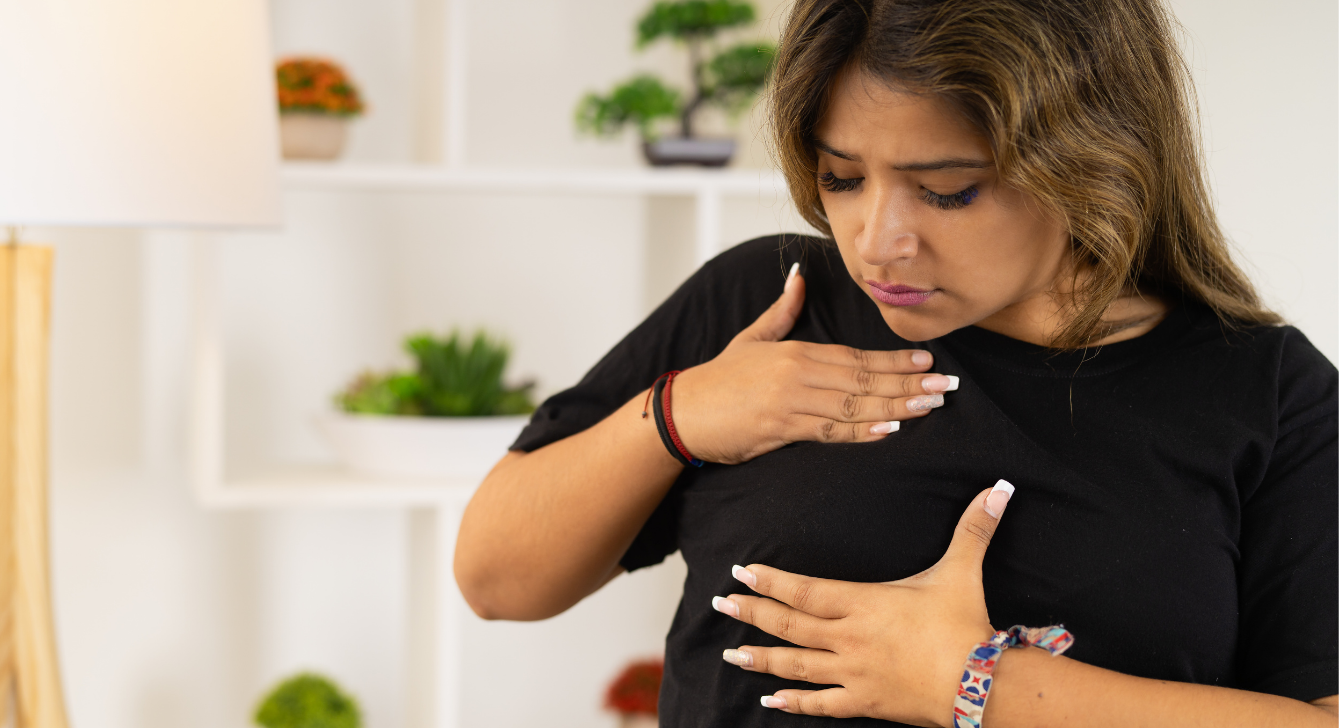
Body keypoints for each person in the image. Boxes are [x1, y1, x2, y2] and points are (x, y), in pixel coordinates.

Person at [454, 0, 1337, 725]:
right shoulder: (768, 301)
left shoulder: (1268, 394)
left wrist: (976, 683)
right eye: (840, 178)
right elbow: (497, 581)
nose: (878, 242)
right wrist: (679, 417)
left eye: (947, 190)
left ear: (1093, 161)